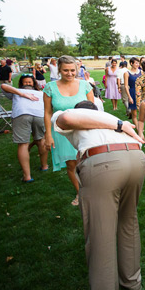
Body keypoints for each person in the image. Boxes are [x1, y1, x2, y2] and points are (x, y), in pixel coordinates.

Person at [52, 99, 145, 290]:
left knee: (101, 232)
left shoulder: (70, 112)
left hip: (105, 162)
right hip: (136, 158)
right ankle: (132, 282)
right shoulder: (109, 116)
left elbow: (67, 118)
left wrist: (119, 124)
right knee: (128, 221)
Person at [44, 55, 96, 207]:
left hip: (83, 131)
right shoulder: (50, 87)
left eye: (72, 70)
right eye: (65, 70)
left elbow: (92, 111)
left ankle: (94, 190)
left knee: (87, 163)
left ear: (77, 69)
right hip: (62, 133)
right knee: (72, 165)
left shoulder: (85, 85)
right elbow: (47, 112)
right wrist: (48, 134)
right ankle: (80, 192)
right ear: (59, 70)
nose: (69, 73)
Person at [2, 75, 48, 183]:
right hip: (39, 116)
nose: (27, 84)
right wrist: (22, 93)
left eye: (29, 82)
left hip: (22, 115)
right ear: (21, 84)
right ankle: (44, 166)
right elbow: (3, 85)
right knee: (41, 140)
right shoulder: (17, 91)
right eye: (25, 82)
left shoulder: (38, 93)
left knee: (23, 144)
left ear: (34, 84)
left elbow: (3, 85)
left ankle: (27, 176)